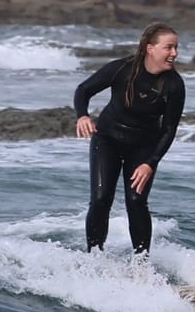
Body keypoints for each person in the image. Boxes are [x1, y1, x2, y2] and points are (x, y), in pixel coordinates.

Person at [73, 22, 185, 254]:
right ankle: (95, 258)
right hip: (107, 140)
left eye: (176, 48)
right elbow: (83, 90)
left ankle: (141, 266)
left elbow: (169, 129)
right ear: (150, 48)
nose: (174, 53)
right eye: (169, 47)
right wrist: (82, 116)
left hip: (143, 148)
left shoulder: (174, 84)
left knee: (136, 202)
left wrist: (150, 163)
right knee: (101, 199)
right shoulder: (122, 69)